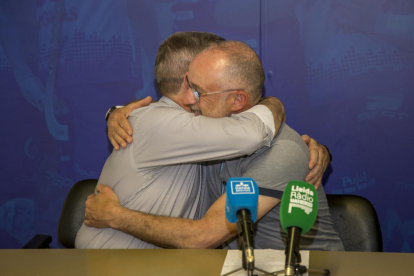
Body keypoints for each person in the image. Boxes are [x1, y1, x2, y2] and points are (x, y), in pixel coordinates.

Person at [81, 33, 343, 250]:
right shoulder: (202, 136)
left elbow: (202, 236)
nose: (190, 99)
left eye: (199, 91)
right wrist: (116, 112)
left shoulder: (280, 150)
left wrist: (116, 216)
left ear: (237, 100)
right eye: (189, 86)